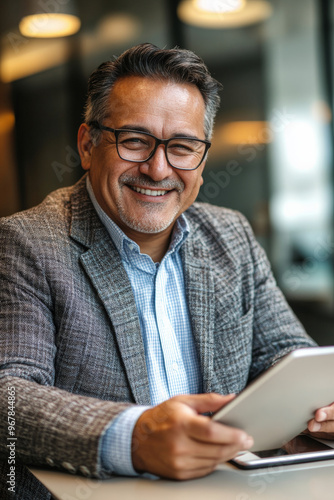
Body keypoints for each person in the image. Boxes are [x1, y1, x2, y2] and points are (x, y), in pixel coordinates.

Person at [0, 43, 333, 498]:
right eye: (134, 140)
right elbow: (8, 398)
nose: (158, 170)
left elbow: (286, 355)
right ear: (87, 144)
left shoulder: (230, 236)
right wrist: (135, 437)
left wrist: (321, 406)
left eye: (181, 147)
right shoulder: (26, 244)